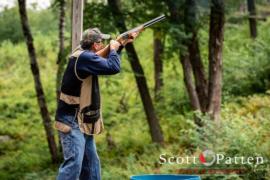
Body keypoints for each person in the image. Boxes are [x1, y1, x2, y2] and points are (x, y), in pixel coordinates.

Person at [55, 27, 139, 180]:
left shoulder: (83, 56)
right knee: (74, 164)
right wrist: (113, 48)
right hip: (71, 120)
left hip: (83, 119)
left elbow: (104, 63)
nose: (102, 45)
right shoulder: (84, 58)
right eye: (101, 42)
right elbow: (113, 67)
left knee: (91, 165)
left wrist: (121, 44)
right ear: (95, 45)